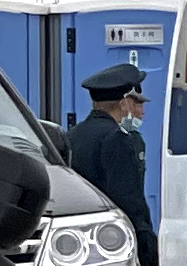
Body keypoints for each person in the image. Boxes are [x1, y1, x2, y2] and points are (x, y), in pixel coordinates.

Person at [65, 62, 154, 249]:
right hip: (114, 240)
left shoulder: (71, 135)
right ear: (123, 103)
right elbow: (128, 200)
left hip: (79, 236)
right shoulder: (118, 139)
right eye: (136, 103)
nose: (141, 111)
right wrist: (147, 245)